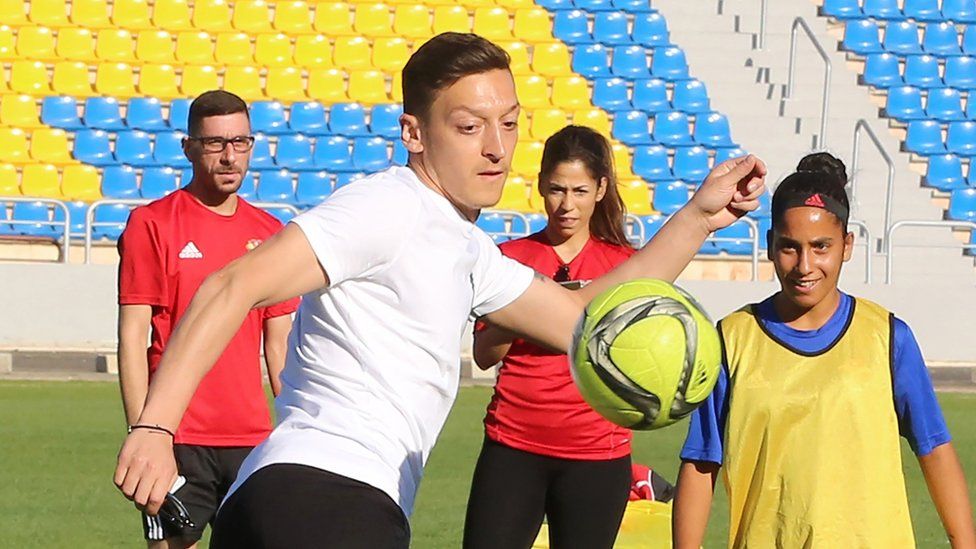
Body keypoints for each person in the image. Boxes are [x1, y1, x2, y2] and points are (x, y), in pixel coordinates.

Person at [113, 32, 767, 548]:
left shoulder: (466, 247)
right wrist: (154, 424)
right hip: (329, 504)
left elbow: (584, 315)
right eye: (468, 126)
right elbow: (232, 283)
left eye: (508, 124)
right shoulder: (387, 206)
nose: (496, 148)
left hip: (279, 501)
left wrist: (700, 218)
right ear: (414, 133)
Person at [672, 153, 976, 548]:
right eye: (789, 247)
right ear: (769, 245)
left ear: (846, 245)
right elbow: (700, 460)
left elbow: (934, 447)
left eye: (820, 246)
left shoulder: (887, 337)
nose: (804, 264)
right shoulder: (732, 339)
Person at [116, 90, 299, 548]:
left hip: (254, 443)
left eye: (240, 142)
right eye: (216, 143)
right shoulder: (153, 224)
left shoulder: (270, 233)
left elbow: (280, 347)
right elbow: (133, 337)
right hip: (178, 438)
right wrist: (145, 432)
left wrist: (299, 429)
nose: (229, 156)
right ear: (189, 148)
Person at [463, 125, 638, 549]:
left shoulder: (626, 266)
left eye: (579, 191)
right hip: (513, 445)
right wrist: (530, 306)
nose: (567, 204)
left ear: (600, 190)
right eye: (557, 189)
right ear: (540, 185)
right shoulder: (508, 260)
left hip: (597, 454)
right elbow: (484, 355)